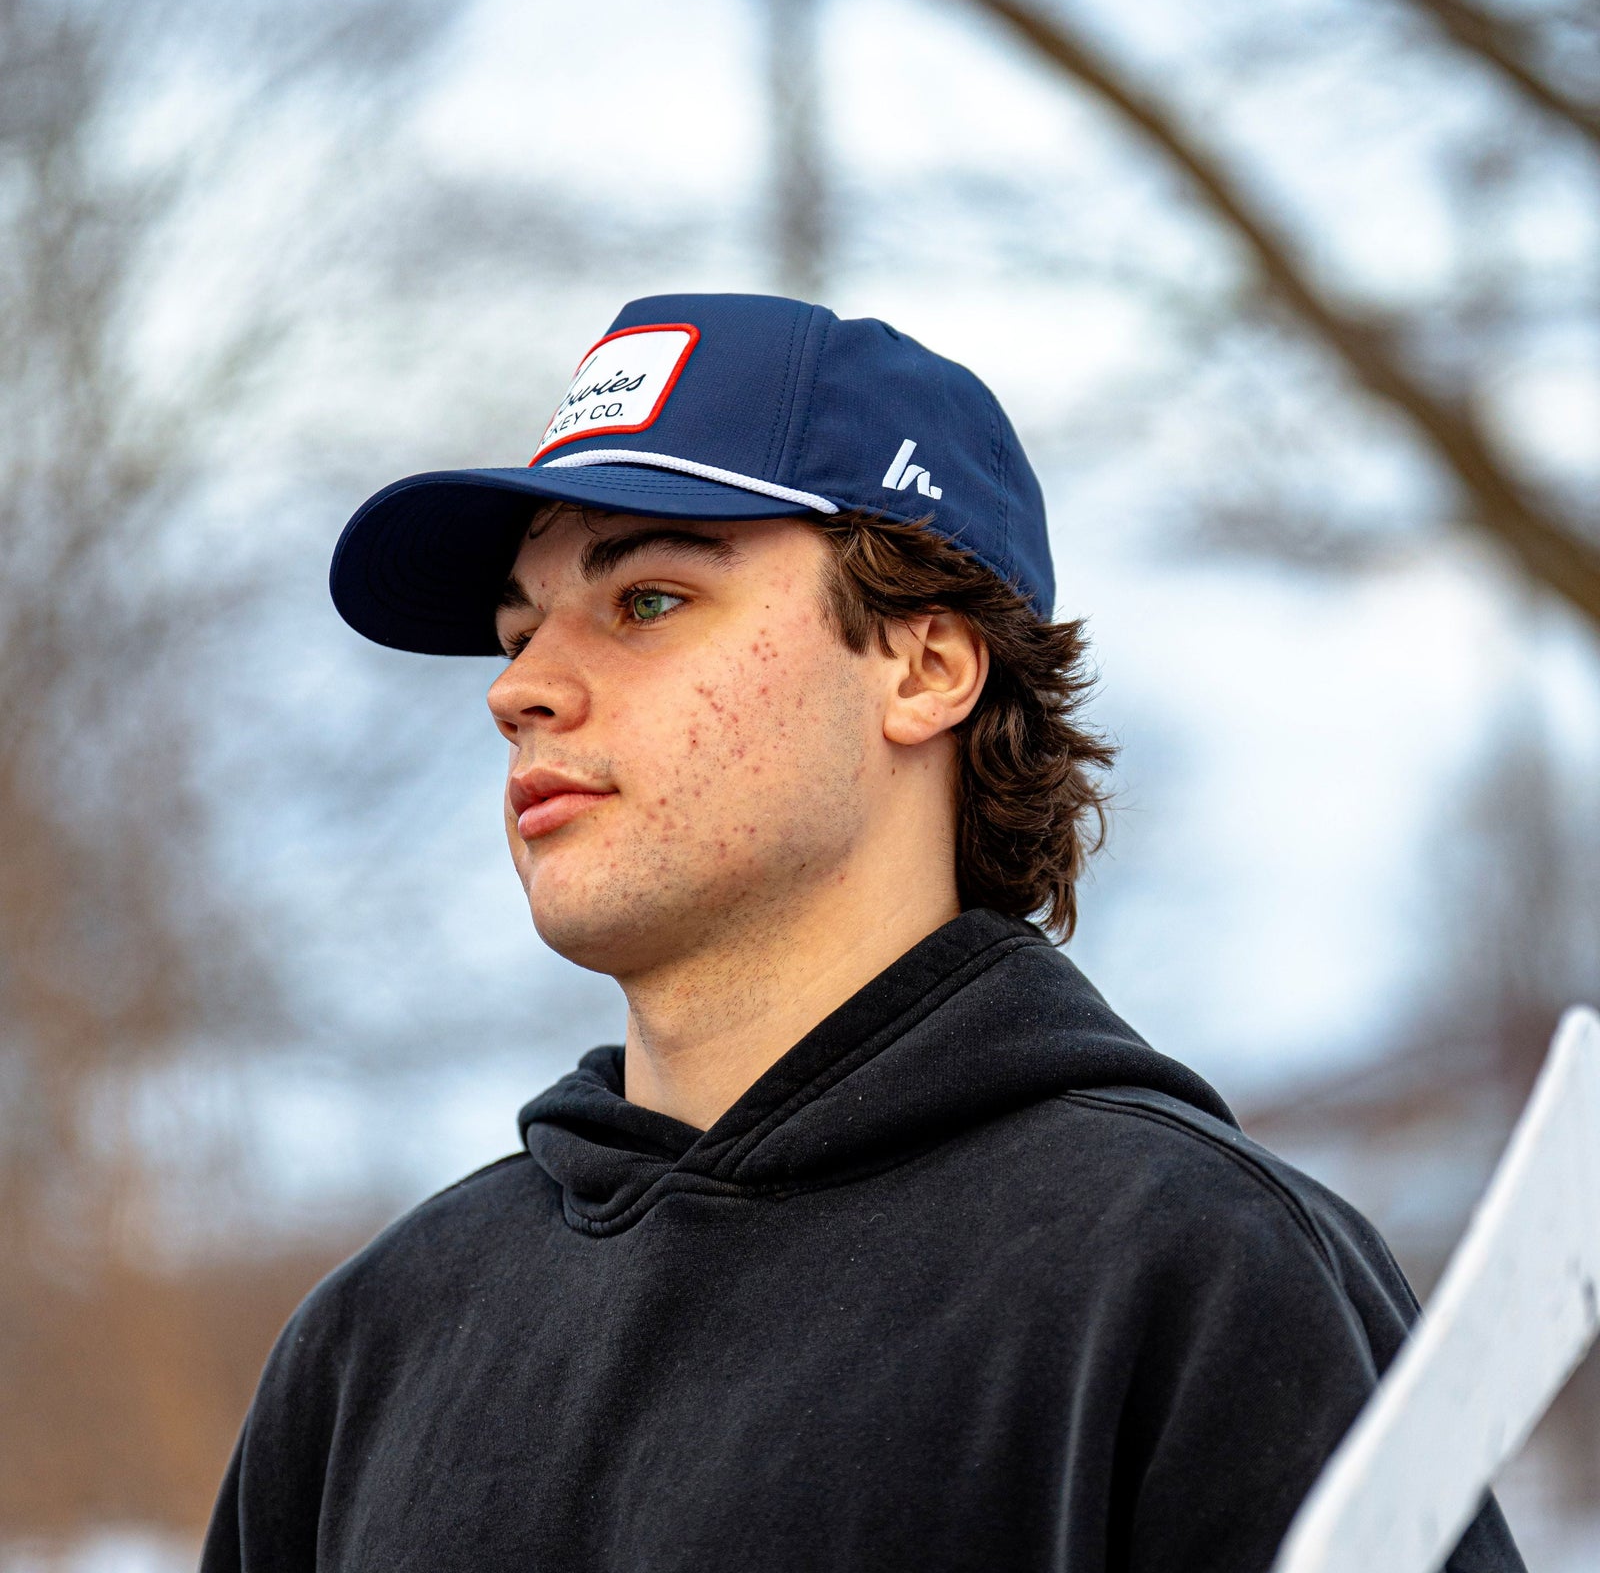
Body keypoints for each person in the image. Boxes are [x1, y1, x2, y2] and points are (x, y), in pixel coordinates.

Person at [202, 293, 1523, 1572]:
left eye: (647, 600)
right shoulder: (375, 1345)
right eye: (516, 631)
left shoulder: (1193, 1274)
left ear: (925, 667)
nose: (522, 689)